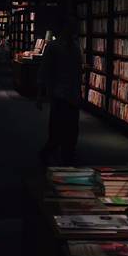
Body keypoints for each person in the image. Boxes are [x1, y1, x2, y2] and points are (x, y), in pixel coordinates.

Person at [36, 17, 83, 165]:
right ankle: (51, 154)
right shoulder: (54, 46)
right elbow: (44, 70)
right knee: (57, 130)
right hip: (59, 94)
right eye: (71, 26)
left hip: (72, 94)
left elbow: (77, 70)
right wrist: (40, 94)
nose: (74, 29)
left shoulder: (75, 46)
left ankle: (67, 158)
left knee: (72, 130)